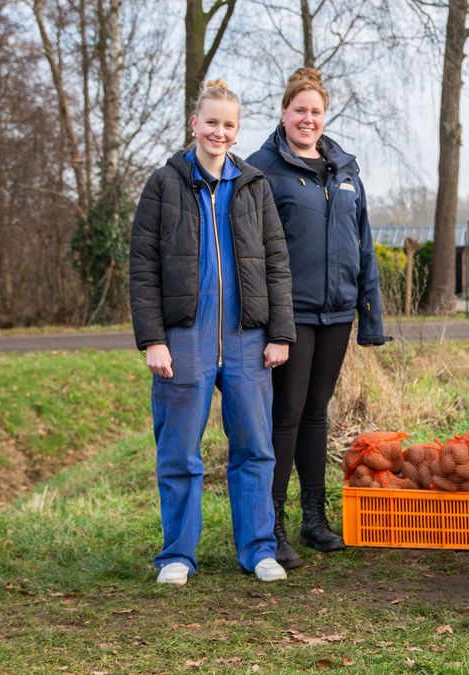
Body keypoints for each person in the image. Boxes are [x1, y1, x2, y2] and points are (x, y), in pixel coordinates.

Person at [129, 79, 296, 585]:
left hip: (248, 337)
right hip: (184, 337)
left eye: (228, 124)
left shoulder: (254, 185)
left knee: (256, 449)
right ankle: (177, 556)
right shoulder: (163, 184)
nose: (218, 132)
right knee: (179, 452)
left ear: (237, 130)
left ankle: (258, 550)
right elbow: (143, 266)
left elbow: (276, 263)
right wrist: (152, 339)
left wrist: (280, 333)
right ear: (194, 124)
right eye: (211, 122)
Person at [247, 67, 388, 564]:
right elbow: (252, 252)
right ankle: (272, 525)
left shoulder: (344, 170)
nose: (308, 119)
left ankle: (313, 518)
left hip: (337, 314)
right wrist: (266, 318)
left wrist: (370, 317)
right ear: (284, 112)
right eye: (300, 110)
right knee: (285, 415)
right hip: (289, 316)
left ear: (325, 116)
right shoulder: (261, 169)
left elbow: (364, 245)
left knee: (316, 412)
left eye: (316, 111)